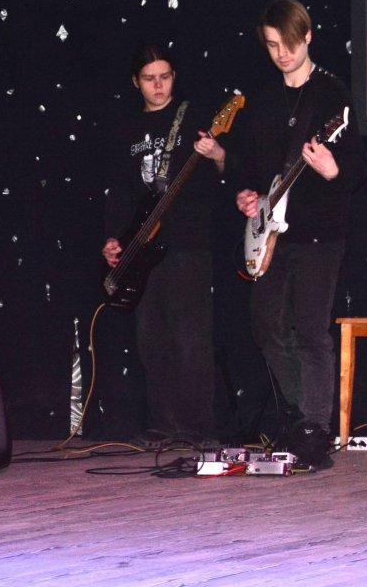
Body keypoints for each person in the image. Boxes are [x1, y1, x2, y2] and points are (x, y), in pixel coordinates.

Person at [230, 0, 365, 471]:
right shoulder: (264, 100)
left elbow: (358, 171)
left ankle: (314, 427)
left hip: (319, 233)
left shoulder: (332, 95)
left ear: (308, 37)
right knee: (267, 326)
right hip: (271, 234)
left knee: (310, 330)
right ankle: (295, 411)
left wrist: (333, 170)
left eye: (288, 43)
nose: (282, 54)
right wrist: (247, 195)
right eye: (272, 46)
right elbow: (248, 167)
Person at [102, 44, 224, 446]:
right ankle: (164, 424)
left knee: (190, 337)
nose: (158, 85)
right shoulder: (127, 128)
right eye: (149, 78)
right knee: (150, 337)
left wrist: (217, 153)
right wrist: (113, 237)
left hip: (187, 243)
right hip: (142, 247)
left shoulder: (193, 117)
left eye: (165, 77)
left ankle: (198, 427)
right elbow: (121, 191)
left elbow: (228, 170)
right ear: (136, 82)